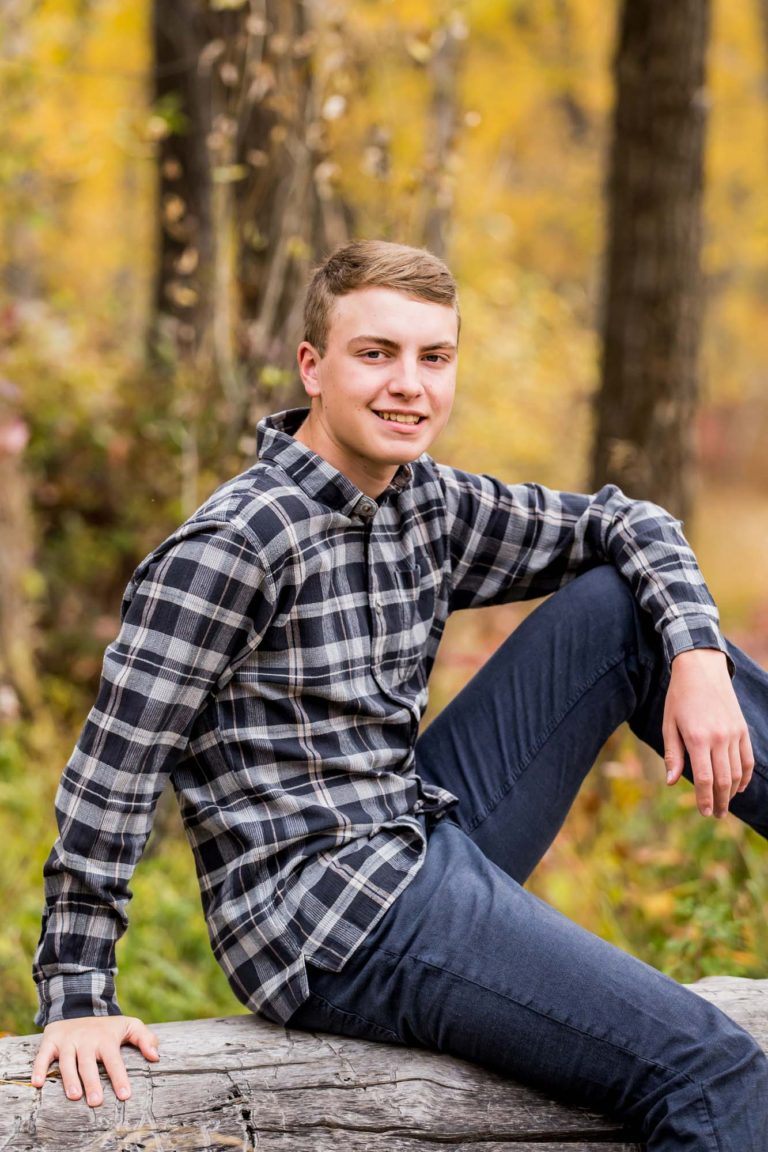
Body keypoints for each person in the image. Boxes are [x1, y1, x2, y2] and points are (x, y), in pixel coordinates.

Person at [31, 240, 768, 1149]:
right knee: (713, 1069)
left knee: (621, 606)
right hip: (328, 920)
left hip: (416, 831)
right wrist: (75, 998)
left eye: (435, 358)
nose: (408, 385)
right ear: (313, 367)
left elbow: (631, 521)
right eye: (375, 354)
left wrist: (697, 654)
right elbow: (111, 775)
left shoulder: (426, 502)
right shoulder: (233, 545)